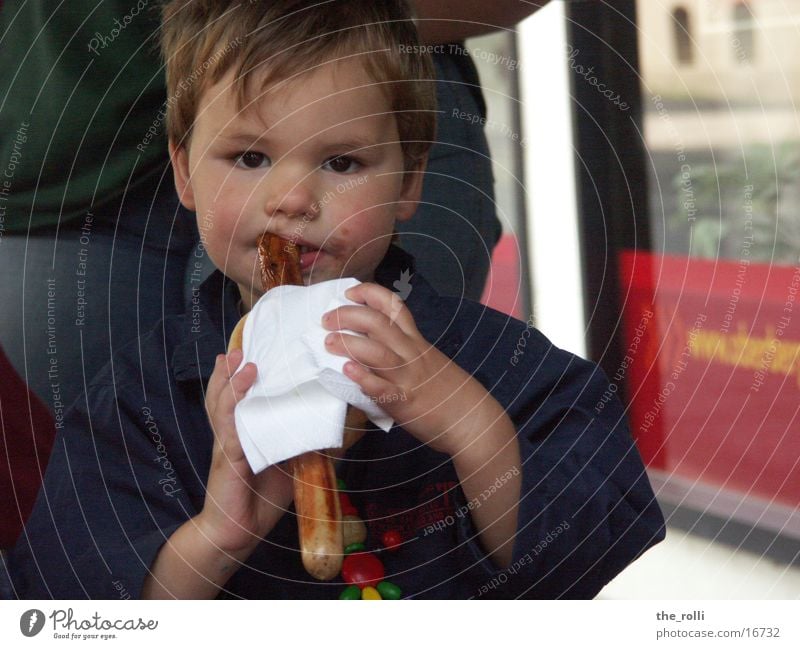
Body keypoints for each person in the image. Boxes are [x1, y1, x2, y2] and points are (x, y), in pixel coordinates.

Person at [10, 0, 663, 599]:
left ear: (411, 180)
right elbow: (77, 613)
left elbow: (586, 555)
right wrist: (218, 534)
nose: (292, 198)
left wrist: (472, 427)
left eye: (343, 163)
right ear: (185, 171)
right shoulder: (135, 403)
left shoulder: (497, 364)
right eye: (249, 157)